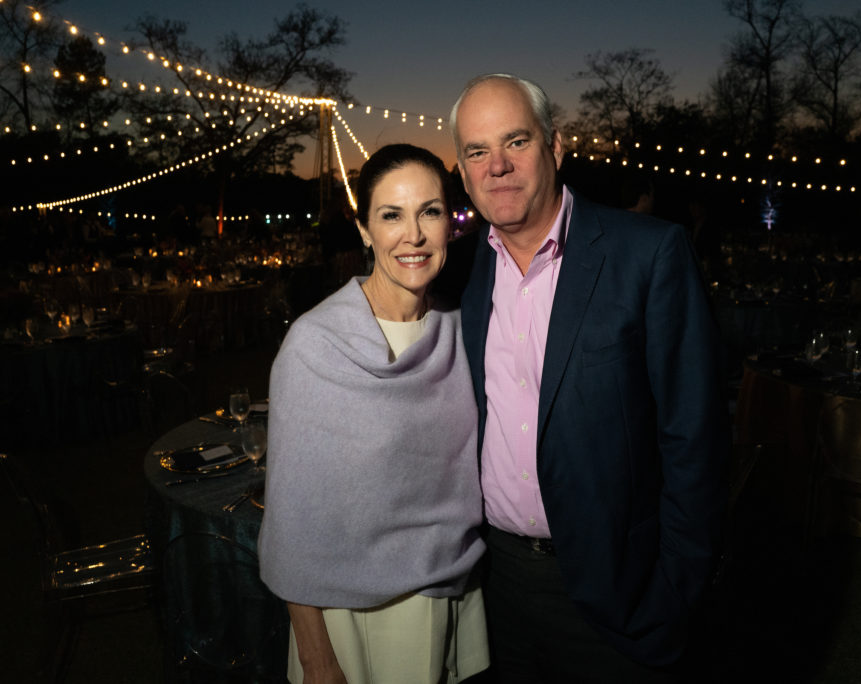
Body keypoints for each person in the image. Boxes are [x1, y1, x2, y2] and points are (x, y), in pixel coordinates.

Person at [451, 73, 730, 680]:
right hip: (492, 585)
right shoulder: (459, 271)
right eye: (477, 151)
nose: (497, 166)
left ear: (555, 146)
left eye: (516, 141)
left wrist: (674, 589)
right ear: (464, 172)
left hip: (619, 591)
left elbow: (696, 436)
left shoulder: (649, 253)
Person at [258, 143, 489, 684]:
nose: (414, 235)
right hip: (349, 612)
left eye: (430, 212)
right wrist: (316, 655)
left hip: (451, 592)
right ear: (364, 230)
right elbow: (290, 517)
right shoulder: (315, 344)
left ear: (450, 223)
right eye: (391, 216)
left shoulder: (460, 329)